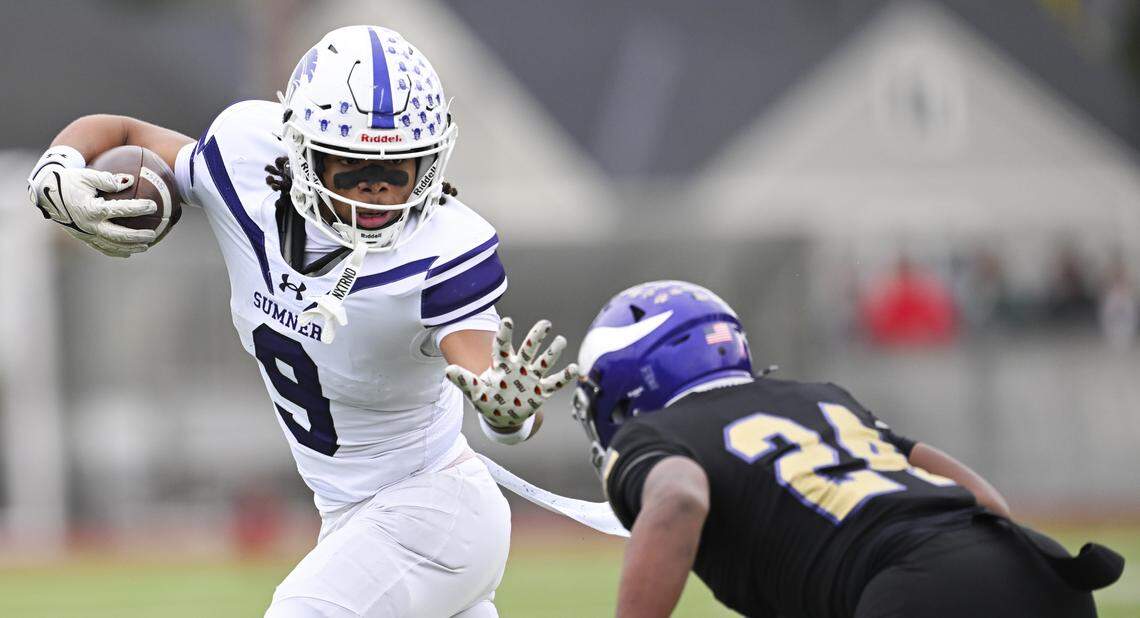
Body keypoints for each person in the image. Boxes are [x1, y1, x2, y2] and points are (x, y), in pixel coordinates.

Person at [27, 25, 577, 618]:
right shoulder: (245, 166)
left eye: (398, 171)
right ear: (301, 153)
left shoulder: (442, 248)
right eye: (351, 168)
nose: (375, 192)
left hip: (432, 510)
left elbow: (494, 389)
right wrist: (60, 164)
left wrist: (508, 413)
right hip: (350, 516)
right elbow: (122, 133)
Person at [571, 280, 1122, 618]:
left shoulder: (655, 435)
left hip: (915, 588)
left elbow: (680, 499)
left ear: (625, 386)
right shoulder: (820, 398)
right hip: (1037, 568)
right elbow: (985, 500)